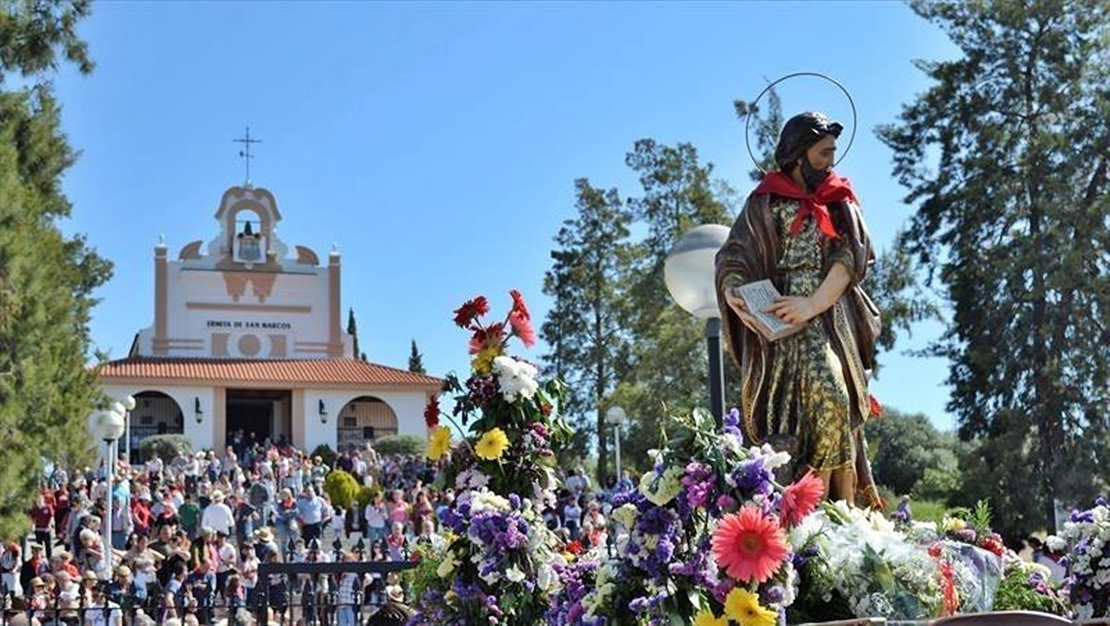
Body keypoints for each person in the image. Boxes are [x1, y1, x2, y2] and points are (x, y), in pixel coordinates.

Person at [716, 111, 882, 508]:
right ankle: (799, 505)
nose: (830, 162)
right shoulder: (765, 199)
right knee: (788, 417)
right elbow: (735, 256)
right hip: (777, 319)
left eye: (832, 153)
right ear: (798, 153)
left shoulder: (839, 199)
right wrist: (736, 291)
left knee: (834, 396)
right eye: (823, 153)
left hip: (826, 316)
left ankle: (838, 508)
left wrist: (812, 304)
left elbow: (851, 257)